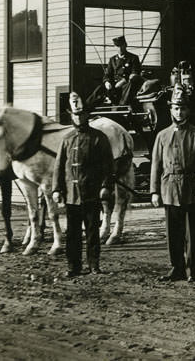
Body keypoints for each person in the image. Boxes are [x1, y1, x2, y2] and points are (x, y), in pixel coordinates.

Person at [150, 85, 195, 282]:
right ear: (171, 110)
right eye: (176, 108)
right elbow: (156, 165)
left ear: (188, 110)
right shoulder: (162, 136)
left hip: (190, 189)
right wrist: (154, 191)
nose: (179, 112)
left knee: (190, 233)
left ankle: (191, 269)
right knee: (172, 233)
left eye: (183, 108)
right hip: (169, 189)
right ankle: (176, 267)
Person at [52, 91, 115, 278]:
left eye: (81, 114)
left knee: (92, 232)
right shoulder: (67, 139)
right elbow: (58, 166)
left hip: (91, 193)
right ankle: (74, 266)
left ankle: (94, 265)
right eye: (75, 115)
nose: (78, 118)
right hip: (72, 195)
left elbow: (108, 166)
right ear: (71, 116)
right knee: (72, 234)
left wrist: (106, 186)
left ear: (87, 115)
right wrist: (57, 189)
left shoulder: (98, 138)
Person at [102, 35, 143, 105]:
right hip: (114, 84)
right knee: (100, 88)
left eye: (122, 46)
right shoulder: (112, 59)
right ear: (115, 47)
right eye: (118, 46)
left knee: (130, 85)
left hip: (126, 83)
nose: (120, 48)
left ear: (126, 45)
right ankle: (87, 107)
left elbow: (135, 72)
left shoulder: (133, 58)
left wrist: (123, 81)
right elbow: (107, 74)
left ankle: (121, 106)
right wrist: (107, 82)